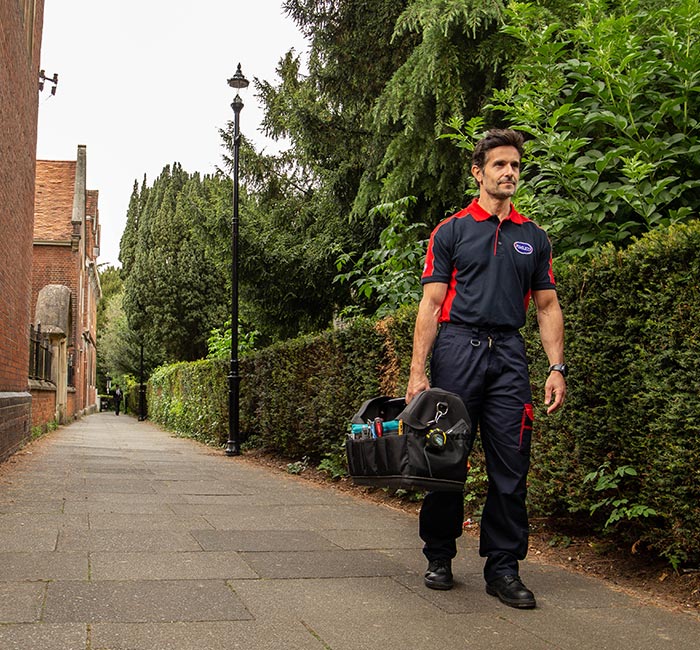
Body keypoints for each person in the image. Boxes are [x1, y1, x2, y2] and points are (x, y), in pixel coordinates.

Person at [405, 128, 566, 609]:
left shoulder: (532, 237)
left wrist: (557, 366)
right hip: (458, 349)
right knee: (445, 459)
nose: (510, 173)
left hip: (509, 357)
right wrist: (418, 373)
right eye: (499, 165)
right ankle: (439, 555)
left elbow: (547, 304)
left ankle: (503, 568)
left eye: (515, 166)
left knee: (512, 466)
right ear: (478, 172)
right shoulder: (452, 231)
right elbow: (431, 305)